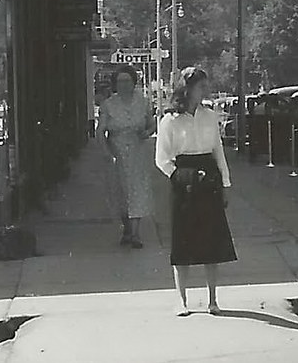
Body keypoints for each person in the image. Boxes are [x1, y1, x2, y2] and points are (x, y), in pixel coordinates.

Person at [155, 66, 237, 317]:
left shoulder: (210, 116)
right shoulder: (169, 120)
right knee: (183, 241)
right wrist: (182, 176)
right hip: (184, 179)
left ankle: (213, 299)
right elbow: (162, 159)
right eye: (201, 86)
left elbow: (217, 150)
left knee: (213, 240)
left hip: (208, 175)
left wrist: (225, 183)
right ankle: (181, 300)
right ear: (187, 88)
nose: (205, 91)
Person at [97, 65, 153, 248]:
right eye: (120, 81)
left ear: (134, 82)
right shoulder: (108, 105)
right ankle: (127, 229)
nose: (124, 84)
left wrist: (147, 132)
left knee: (137, 191)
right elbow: (101, 131)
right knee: (120, 193)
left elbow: (152, 124)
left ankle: (136, 233)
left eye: (127, 80)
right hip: (117, 152)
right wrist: (105, 152)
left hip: (138, 151)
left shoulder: (143, 102)